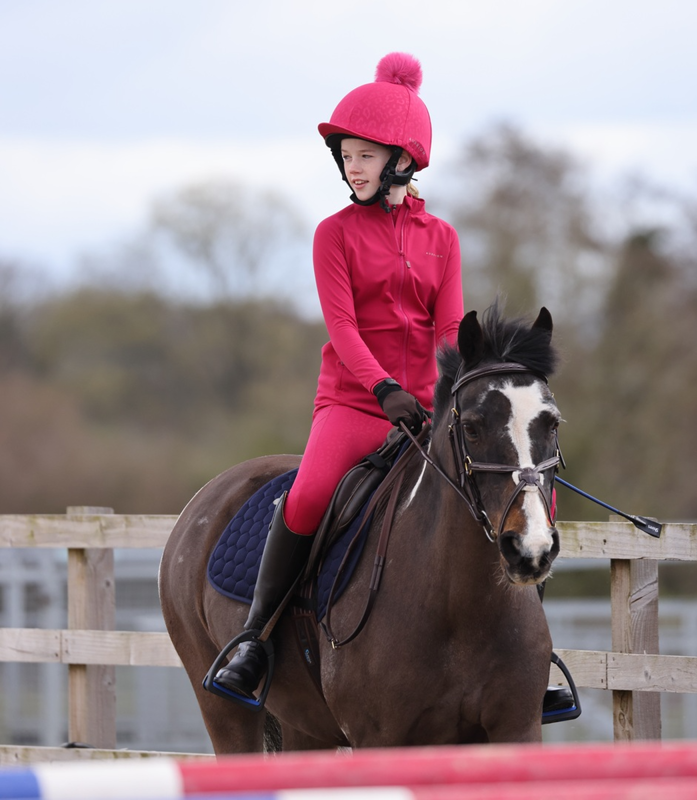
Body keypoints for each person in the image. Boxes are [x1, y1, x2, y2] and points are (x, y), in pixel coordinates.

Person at [211, 52, 464, 702]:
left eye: (364, 155)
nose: (351, 166)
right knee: (307, 494)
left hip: (429, 409)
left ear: (401, 161)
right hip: (356, 403)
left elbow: (450, 332)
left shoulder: (444, 238)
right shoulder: (334, 235)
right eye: (346, 155)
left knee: (503, 494)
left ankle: (526, 653)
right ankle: (254, 639)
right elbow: (344, 329)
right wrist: (385, 389)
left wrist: (447, 394)